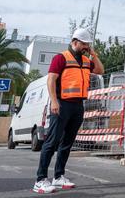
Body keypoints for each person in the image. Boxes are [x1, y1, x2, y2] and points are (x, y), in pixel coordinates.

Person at [33, 27, 104, 194]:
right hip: (62, 105)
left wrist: (94, 54)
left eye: (88, 44)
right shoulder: (61, 58)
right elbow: (51, 80)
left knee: (67, 144)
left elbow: (100, 71)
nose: (86, 47)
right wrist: (54, 101)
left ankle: (58, 177)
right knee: (52, 142)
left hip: (78, 106)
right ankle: (40, 179)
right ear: (74, 42)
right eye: (84, 44)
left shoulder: (87, 61)